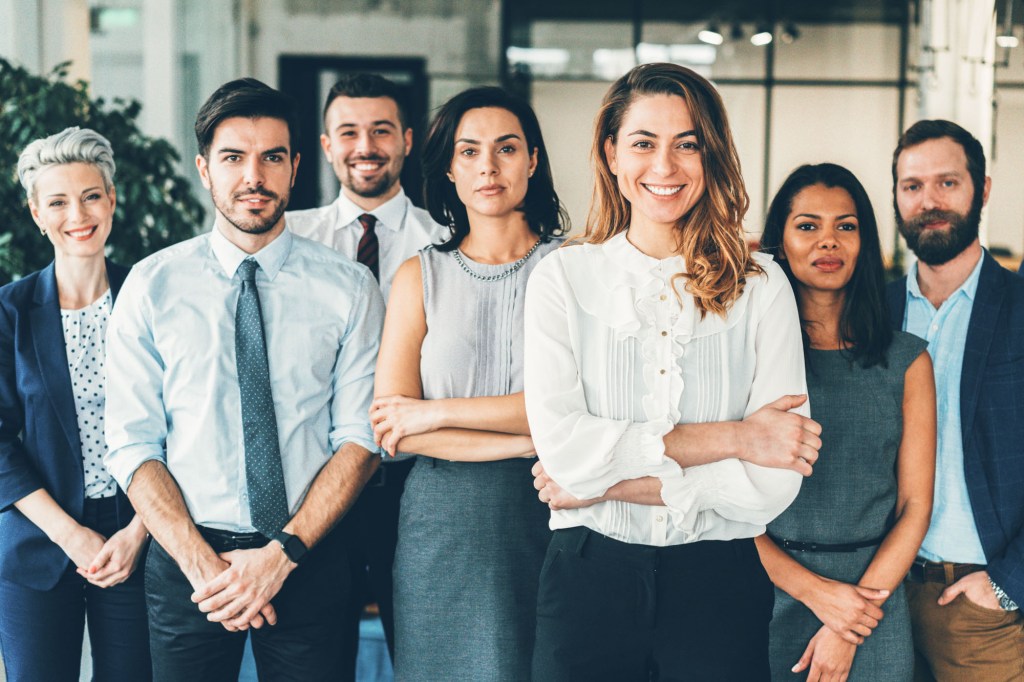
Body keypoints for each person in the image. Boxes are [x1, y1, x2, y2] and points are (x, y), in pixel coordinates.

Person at [523, 62, 821, 681]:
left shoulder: (762, 288)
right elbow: (564, 451)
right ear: (610, 153)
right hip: (588, 580)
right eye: (643, 143)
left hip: (719, 581)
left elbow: (772, 486)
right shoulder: (563, 278)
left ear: (711, 155)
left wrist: (603, 484)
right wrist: (736, 438)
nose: (665, 167)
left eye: (688, 144)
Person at [103, 78, 384, 681]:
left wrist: (281, 556)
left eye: (271, 157)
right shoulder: (152, 287)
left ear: (295, 167)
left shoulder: (351, 288)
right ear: (205, 169)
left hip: (310, 553)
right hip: (187, 563)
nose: (252, 176)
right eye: (233, 157)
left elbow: (360, 438)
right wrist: (203, 565)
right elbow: (131, 443)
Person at [370, 85, 565, 680]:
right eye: (469, 151)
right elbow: (391, 429)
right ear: (449, 169)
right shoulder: (417, 275)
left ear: (532, 160)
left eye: (506, 149)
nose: (488, 166)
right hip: (443, 522)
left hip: (552, 510)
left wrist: (434, 413)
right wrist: (526, 436)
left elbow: (575, 410)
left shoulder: (574, 269)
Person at [286, 73, 444, 668]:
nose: (366, 146)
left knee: (421, 652)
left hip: (415, 484)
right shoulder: (289, 240)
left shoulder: (447, 242)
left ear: (406, 139)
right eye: (348, 132)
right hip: (315, 482)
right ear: (326, 145)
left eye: (381, 130)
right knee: (314, 659)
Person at [757, 163, 936, 681]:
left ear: (865, 242)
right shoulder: (750, 357)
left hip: (873, 601)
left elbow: (914, 506)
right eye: (808, 226)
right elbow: (721, 504)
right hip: (766, 590)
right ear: (781, 241)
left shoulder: (907, 362)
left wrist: (848, 622)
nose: (828, 241)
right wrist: (816, 594)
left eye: (846, 226)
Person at [0, 127, 151, 681]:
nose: (77, 214)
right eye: (58, 201)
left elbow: (187, 425)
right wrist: (70, 533)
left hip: (142, 531)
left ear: (112, 199)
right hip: (40, 538)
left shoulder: (152, 298)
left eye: (90, 195)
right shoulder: (9, 311)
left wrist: (139, 530)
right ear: (37, 212)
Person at [887, 119, 1024, 681]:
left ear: (982, 189)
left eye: (948, 182)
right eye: (912, 186)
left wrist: (1008, 586)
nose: (929, 201)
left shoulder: (1017, 308)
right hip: (881, 598)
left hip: (980, 610)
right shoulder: (873, 312)